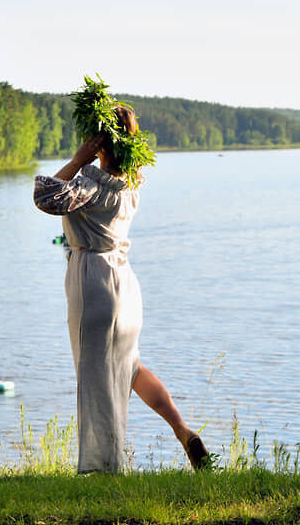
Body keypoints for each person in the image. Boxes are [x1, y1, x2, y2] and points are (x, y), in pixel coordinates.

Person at [33, 106, 209, 474]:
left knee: (94, 379)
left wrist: (79, 157)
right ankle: (182, 430)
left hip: (94, 283)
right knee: (130, 369)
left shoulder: (91, 187)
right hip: (125, 284)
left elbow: (44, 196)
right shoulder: (132, 184)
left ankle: (102, 469)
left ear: (100, 142)